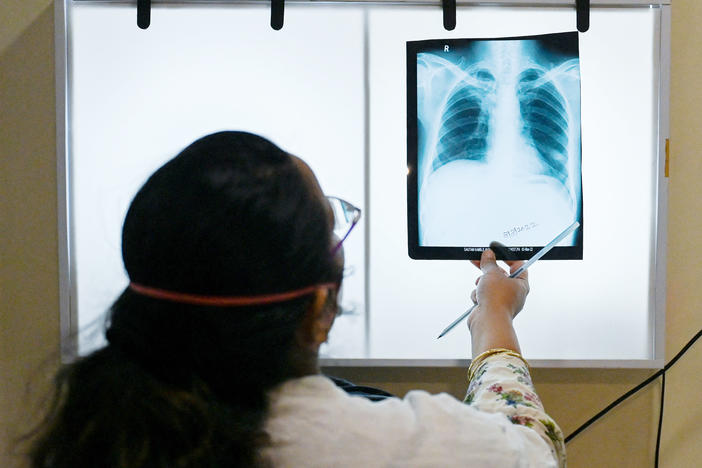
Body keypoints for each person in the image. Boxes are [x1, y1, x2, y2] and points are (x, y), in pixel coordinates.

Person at [27, 131, 565, 467]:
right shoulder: (392, 448)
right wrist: (493, 315)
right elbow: (530, 452)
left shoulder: (92, 432)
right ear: (316, 313)